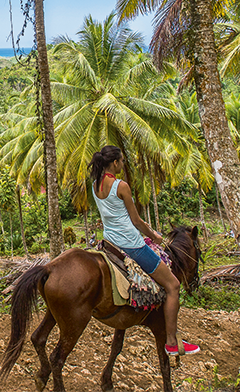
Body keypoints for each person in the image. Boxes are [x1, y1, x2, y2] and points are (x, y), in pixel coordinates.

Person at [89, 146, 200, 356]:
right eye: (122, 161)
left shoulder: (95, 185)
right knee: (173, 285)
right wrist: (154, 236)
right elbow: (136, 221)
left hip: (110, 243)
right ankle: (171, 342)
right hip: (132, 244)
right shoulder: (121, 186)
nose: (123, 164)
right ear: (115, 163)